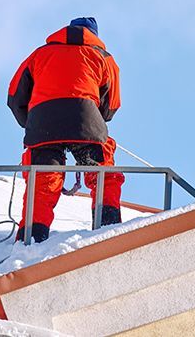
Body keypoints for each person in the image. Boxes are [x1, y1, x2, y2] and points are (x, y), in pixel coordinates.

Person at [7, 17, 124, 243]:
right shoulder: (103, 57)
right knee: (102, 174)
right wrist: (95, 119)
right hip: (86, 120)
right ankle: (107, 230)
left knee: (42, 180)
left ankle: (31, 239)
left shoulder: (39, 55)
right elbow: (111, 105)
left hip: (43, 123)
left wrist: (31, 122)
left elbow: (14, 96)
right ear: (94, 35)